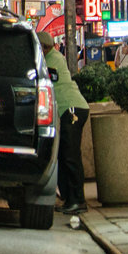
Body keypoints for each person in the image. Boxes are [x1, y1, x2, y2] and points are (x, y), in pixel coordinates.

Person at [41, 30, 89, 216]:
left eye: (43, 47)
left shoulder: (52, 59)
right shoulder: (51, 57)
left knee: (70, 156)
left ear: (46, 47)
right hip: (67, 110)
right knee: (63, 154)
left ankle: (78, 200)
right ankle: (70, 199)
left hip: (72, 109)